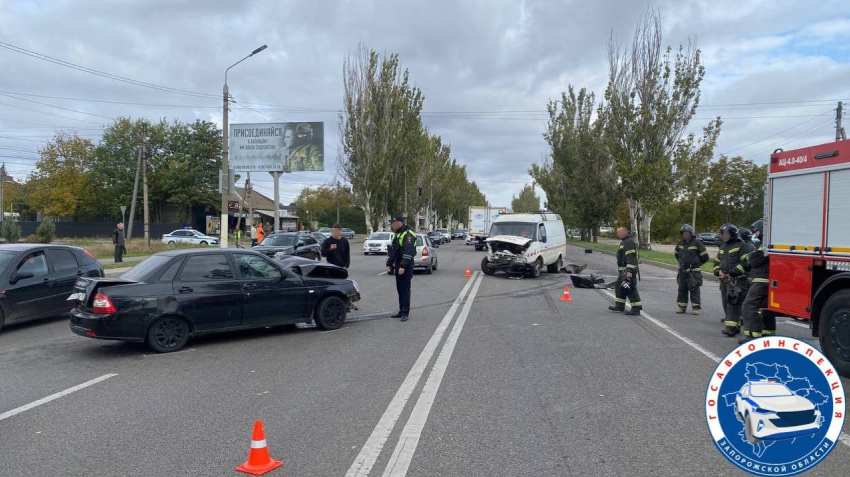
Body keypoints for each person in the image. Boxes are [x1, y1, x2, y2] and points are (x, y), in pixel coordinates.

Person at [740, 219, 773, 343]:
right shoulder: (764, 244)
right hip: (766, 280)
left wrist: (751, 256)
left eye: (756, 231)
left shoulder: (764, 245)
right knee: (765, 309)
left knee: (749, 306)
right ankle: (768, 335)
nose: (754, 234)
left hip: (761, 280)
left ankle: (752, 337)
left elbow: (754, 261)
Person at [714, 224, 749, 337]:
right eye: (723, 234)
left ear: (733, 235)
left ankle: (731, 328)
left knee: (734, 303)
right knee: (726, 302)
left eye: (726, 234)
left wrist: (733, 272)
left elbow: (747, 262)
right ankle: (733, 326)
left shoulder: (742, 246)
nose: (724, 236)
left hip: (738, 281)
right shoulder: (722, 247)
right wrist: (718, 271)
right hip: (724, 281)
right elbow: (716, 262)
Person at [386, 215, 416, 322]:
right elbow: (393, 251)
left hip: (406, 265)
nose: (392, 225)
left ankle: (405, 313)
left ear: (400, 223)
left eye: (393, 223)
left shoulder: (408, 234)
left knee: (405, 289)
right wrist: (389, 264)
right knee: (400, 289)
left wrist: (403, 266)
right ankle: (401, 310)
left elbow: (409, 252)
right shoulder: (397, 234)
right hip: (399, 264)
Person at [674, 224, 709, 315]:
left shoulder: (697, 243)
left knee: (694, 288)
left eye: (687, 233)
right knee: (682, 288)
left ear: (691, 233)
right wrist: (681, 263)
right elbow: (677, 254)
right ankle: (682, 307)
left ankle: (695, 308)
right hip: (683, 270)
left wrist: (697, 264)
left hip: (693, 271)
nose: (685, 235)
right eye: (683, 233)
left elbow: (705, 257)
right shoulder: (680, 244)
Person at [608, 226, 642, 316]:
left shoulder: (628, 242)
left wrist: (629, 271)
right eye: (617, 232)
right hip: (623, 271)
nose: (617, 234)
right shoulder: (624, 242)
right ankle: (619, 306)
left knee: (630, 289)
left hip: (628, 270)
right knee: (619, 287)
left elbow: (631, 257)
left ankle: (636, 309)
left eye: (619, 232)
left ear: (625, 232)